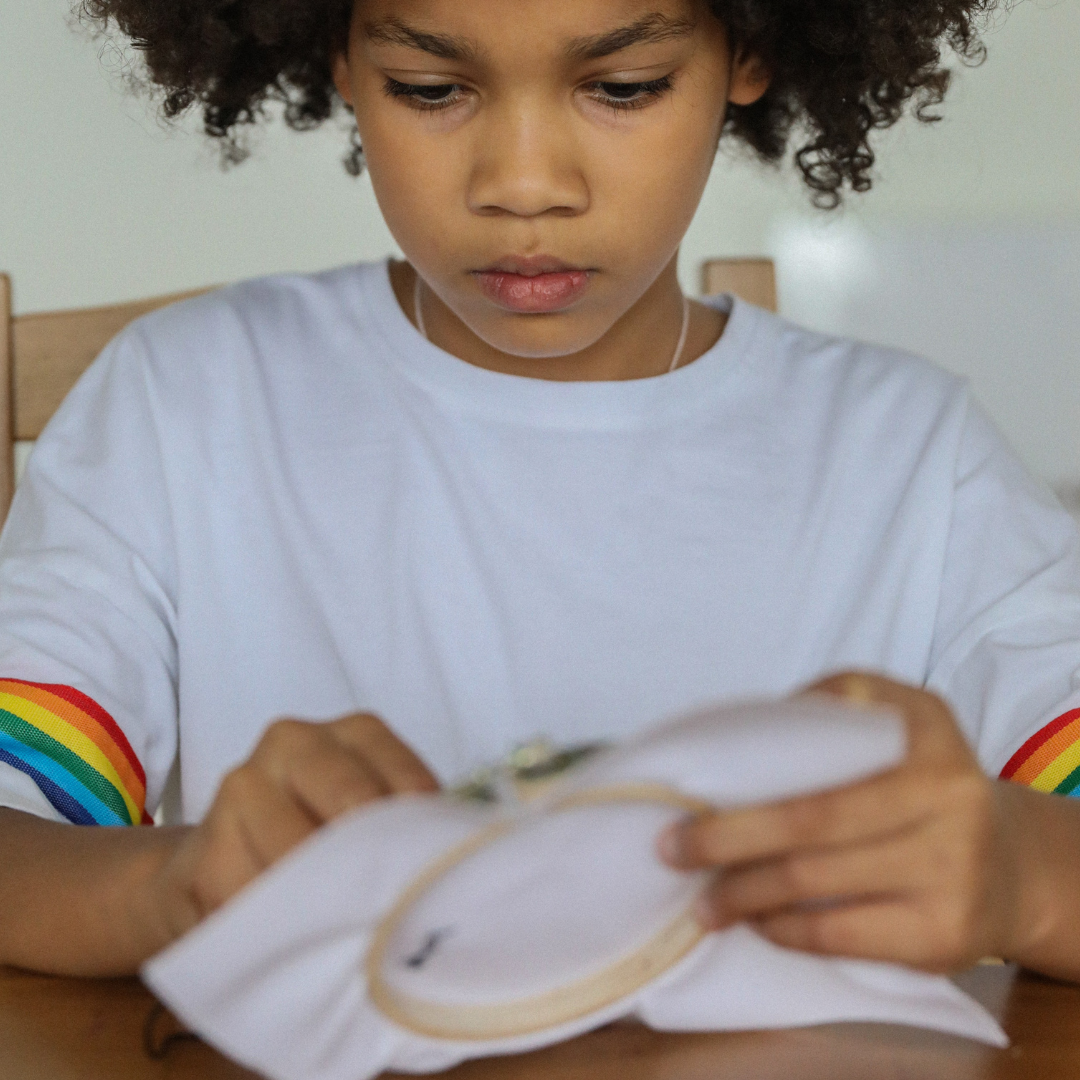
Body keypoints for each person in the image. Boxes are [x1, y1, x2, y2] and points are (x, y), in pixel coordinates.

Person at [2, 0, 1080, 989]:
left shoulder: (910, 461)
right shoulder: (187, 403)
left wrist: (1025, 875)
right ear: (337, 49)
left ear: (746, 49)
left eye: (623, 88)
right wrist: (173, 884)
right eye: (431, 90)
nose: (523, 183)